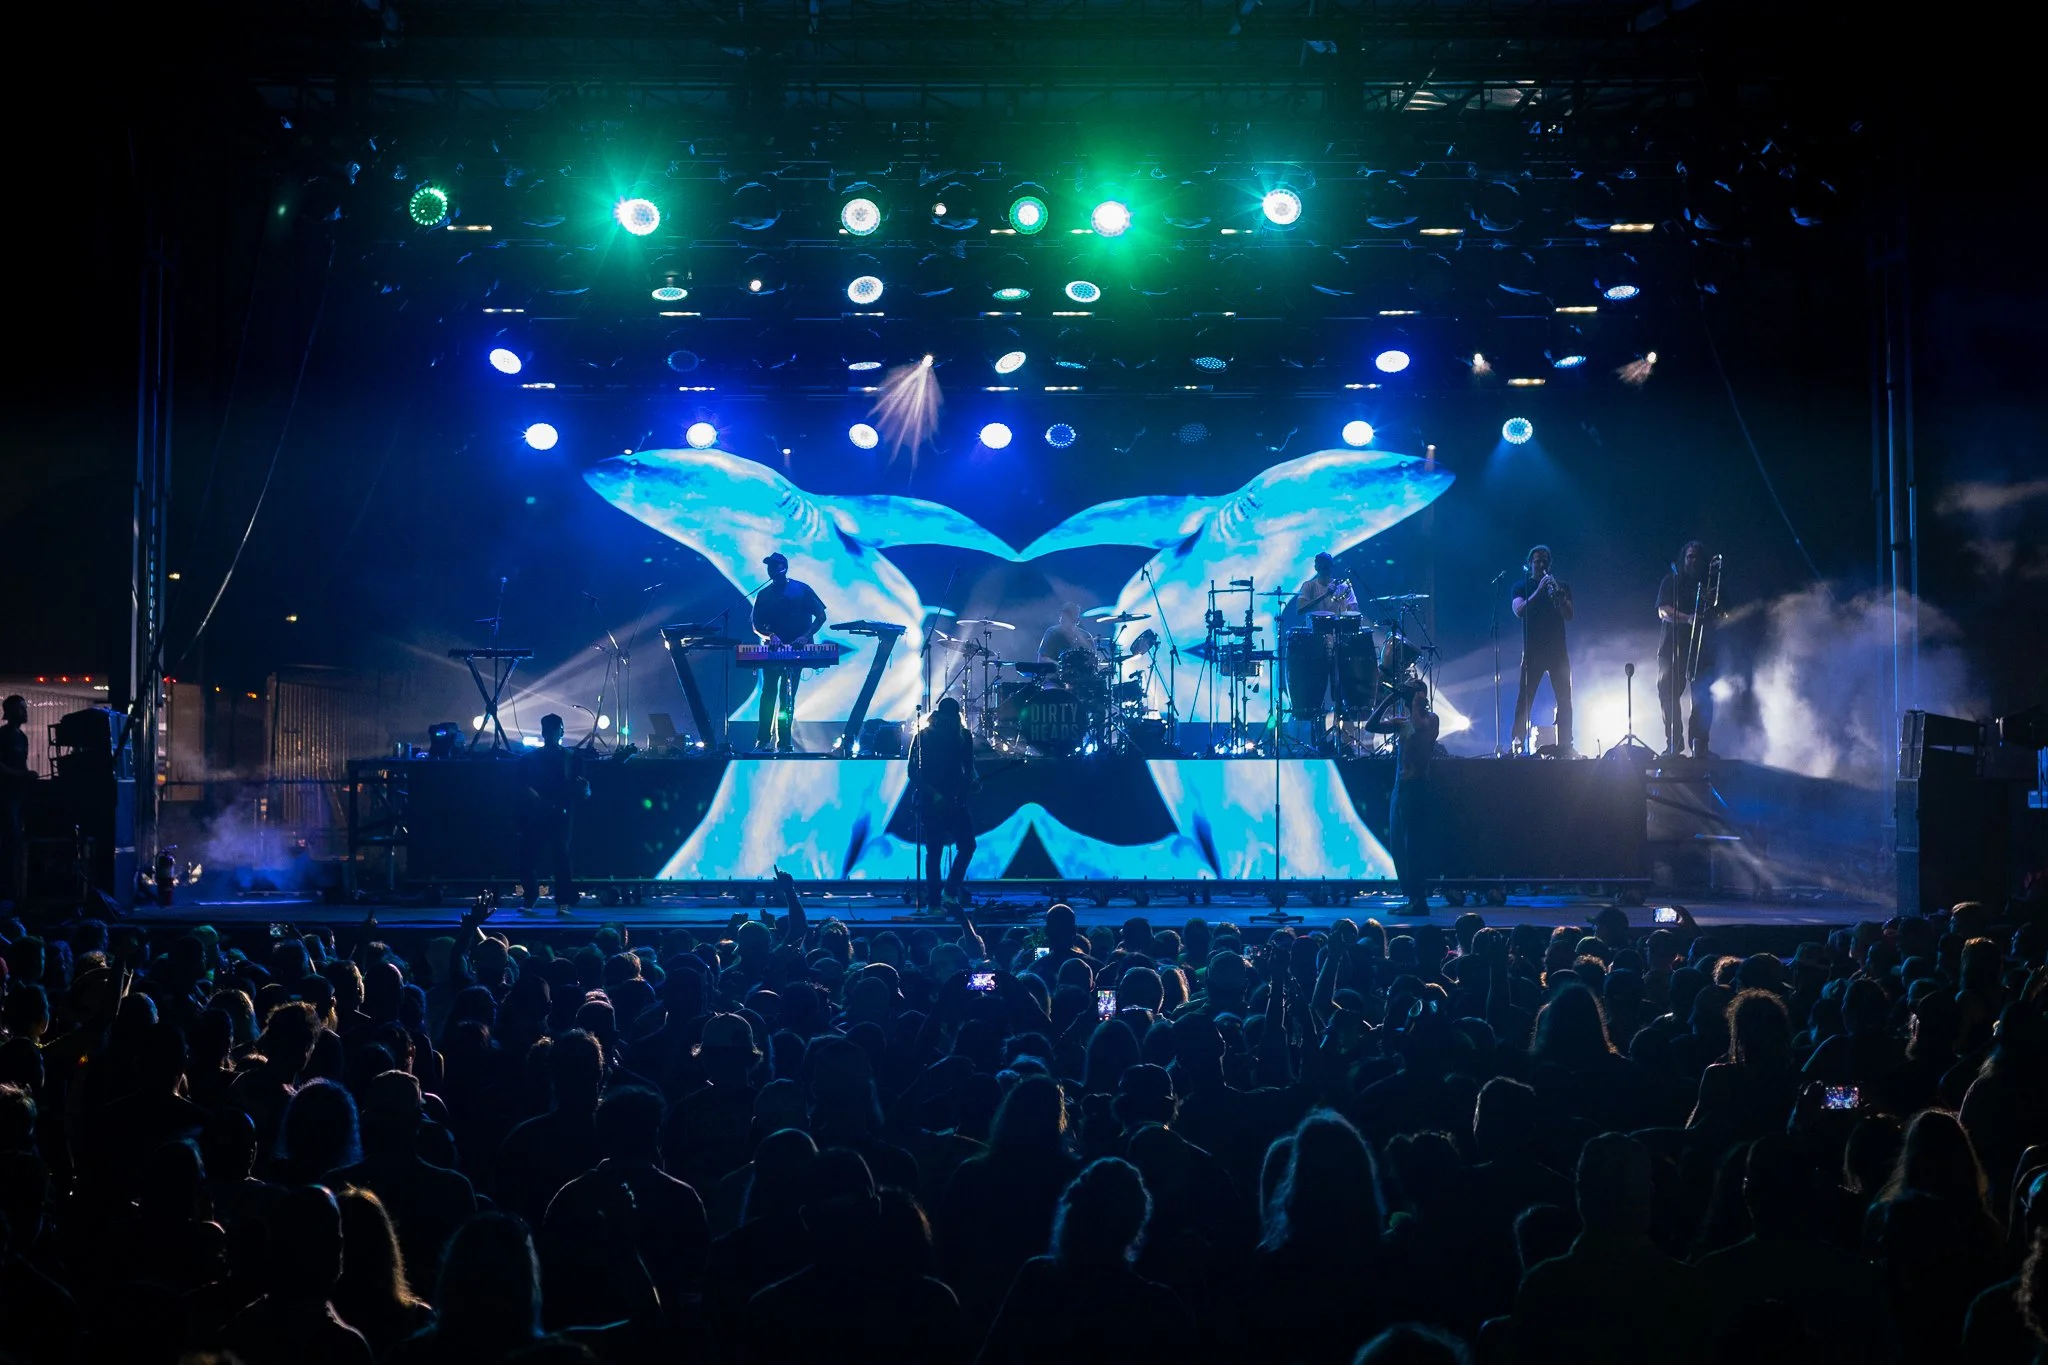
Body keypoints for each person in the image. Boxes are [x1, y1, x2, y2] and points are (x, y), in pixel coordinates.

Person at [977, 1156, 1191, 1364]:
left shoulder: (1038, 1278)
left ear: (1073, 1212)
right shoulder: (1157, 1308)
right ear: (1135, 1223)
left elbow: (994, 1354)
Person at [1366, 679, 1440, 915]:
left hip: (1417, 786)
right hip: (1401, 787)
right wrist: (1390, 699)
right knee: (1399, 843)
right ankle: (1411, 898)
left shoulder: (1431, 719)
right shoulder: (1402, 723)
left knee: (1413, 845)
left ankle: (1419, 901)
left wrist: (1416, 703)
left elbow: (1419, 727)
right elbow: (1371, 725)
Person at [750, 551, 828, 753]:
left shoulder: (801, 589)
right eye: (768, 566)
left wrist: (805, 636)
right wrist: (770, 635)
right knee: (768, 694)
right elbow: (756, 625)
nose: (770, 569)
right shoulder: (764, 594)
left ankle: (783, 741)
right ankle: (762, 740)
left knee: (788, 695)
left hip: (797, 650)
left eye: (774, 565)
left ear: (783, 567)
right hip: (773, 651)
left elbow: (820, 616)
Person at [908, 697, 979, 911]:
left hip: (957, 800)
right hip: (932, 802)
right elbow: (913, 772)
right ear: (939, 716)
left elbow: (969, 765)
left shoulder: (964, 737)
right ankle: (935, 901)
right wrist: (933, 793)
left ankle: (949, 891)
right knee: (935, 852)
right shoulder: (923, 737)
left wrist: (973, 780)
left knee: (968, 846)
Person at [1510, 545, 1574, 757]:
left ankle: (1566, 744)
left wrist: (1558, 595)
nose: (1540, 564)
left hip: (1558, 652)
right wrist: (1539, 591)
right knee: (1524, 700)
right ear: (1530, 564)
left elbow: (1569, 614)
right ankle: (1517, 743)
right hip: (1533, 653)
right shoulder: (1522, 586)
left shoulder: (1561, 586)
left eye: (1544, 560)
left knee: (1564, 699)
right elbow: (1519, 610)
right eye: (1537, 560)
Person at [517, 713, 585, 913]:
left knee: (560, 857)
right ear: (544, 732)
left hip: (561, 813)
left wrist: (585, 790)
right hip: (538, 813)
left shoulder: (573, 758)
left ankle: (561, 901)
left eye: (555, 729)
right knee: (529, 857)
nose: (553, 733)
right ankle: (531, 897)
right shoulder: (530, 758)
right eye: (550, 729)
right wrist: (535, 798)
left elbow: (582, 789)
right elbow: (521, 784)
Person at [1656, 540, 1718, 758]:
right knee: (1667, 692)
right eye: (1688, 557)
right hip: (1672, 648)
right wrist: (1688, 618)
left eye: (1696, 558)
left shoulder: (1709, 586)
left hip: (1702, 649)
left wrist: (1714, 610)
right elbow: (1663, 611)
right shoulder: (1671, 582)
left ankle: (1700, 746)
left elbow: (1723, 615)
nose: (1692, 561)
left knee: (1703, 696)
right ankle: (1674, 744)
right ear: (1683, 559)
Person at [0, 694, 29, 907]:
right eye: (20, 708)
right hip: (6, 797)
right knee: (9, 844)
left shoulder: (22, 738)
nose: (24, 712)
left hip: (18, 797)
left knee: (16, 844)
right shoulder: (3, 736)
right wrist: (22, 776)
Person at [1289, 552, 1359, 617]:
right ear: (1316, 567)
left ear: (1331, 567)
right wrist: (1325, 594)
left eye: (1326, 566)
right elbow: (1299, 610)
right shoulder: (1308, 586)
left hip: (1338, 628)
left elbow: (1354, 609)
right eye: (1320, 565)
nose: (1323, 567)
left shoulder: (1344, 586)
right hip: (1315, 629)